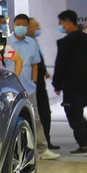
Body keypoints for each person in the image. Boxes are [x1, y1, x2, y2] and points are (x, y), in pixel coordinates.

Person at [7, 13, 59, 160]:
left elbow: (35, 64)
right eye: (18, 24)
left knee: (35, 118)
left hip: (29, 87)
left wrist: (34, 81)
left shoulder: (32, 43)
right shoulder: (6, 42)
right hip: (10, 87)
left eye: (24, 25)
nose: (21, 27)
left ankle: (42, 149)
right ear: (13, 25)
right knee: (10, 120)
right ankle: (12, 152)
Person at [53, 10, 87, 157]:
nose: (61, 26)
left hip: (71, 84)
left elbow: (60, 64)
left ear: (68, 22)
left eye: (61, 23)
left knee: (73, 114)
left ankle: (83, 146)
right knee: (77, 112)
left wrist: (57, 83)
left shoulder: (65, 42)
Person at [27, 17, 58, 150]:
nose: (39, 29)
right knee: (40, 113)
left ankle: (46, 140)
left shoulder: (34, 42)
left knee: (44, 112)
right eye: (36, 26)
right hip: (32, 83)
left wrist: (44, 71)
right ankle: (40, 143)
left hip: (39, 81)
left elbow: (38, 62)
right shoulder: (26, 44)